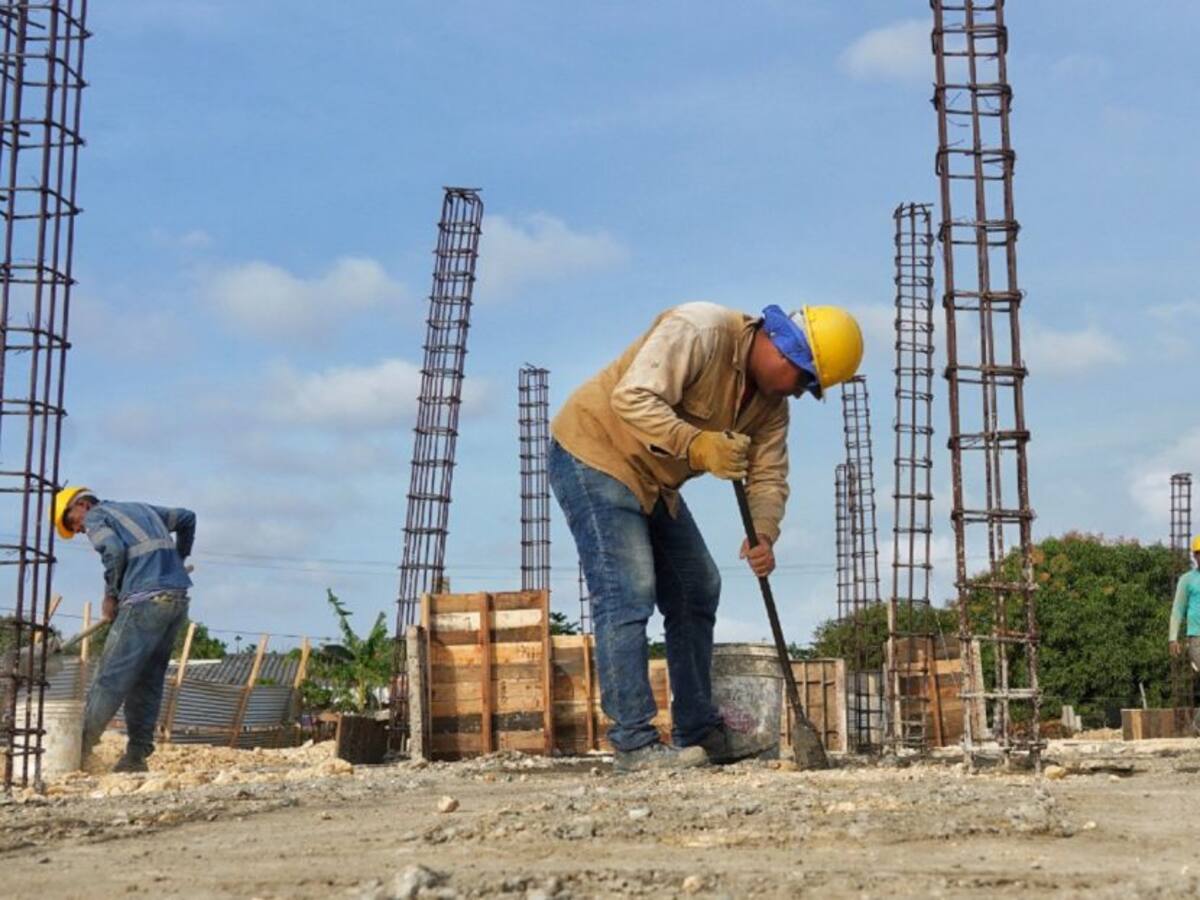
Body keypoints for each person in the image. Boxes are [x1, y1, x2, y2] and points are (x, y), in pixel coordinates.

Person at [549, 301, 863, 771]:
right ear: (783, 349)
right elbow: (632, 397)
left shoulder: (771, 408)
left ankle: (697, 732)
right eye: (804, 380)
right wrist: (697, 444)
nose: (799, 393)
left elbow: (768, 475)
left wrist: (763, 532)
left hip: (656, 480)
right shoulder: (700, 330)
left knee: (697, 586)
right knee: (628, 591)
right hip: (595, 453)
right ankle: (633, 743)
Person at [52, 486, 196, 772]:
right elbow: (187, 518)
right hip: (176, 600)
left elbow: (114, 550)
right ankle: (136, 758)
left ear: (82, 505)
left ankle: (76, 753)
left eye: (72, 522)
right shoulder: (141, 509)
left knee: (109, 678)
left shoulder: (97, 516)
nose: (78, 530)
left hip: (144, 600)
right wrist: (178, 561)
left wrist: (111, 595)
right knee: (147, 681)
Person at [1169, 535, 1200, 674]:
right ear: (1194, 555)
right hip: (1197, 638)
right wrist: (1172, 638)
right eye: (1199, 553)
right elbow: (1178, 609)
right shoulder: (1187, 579)